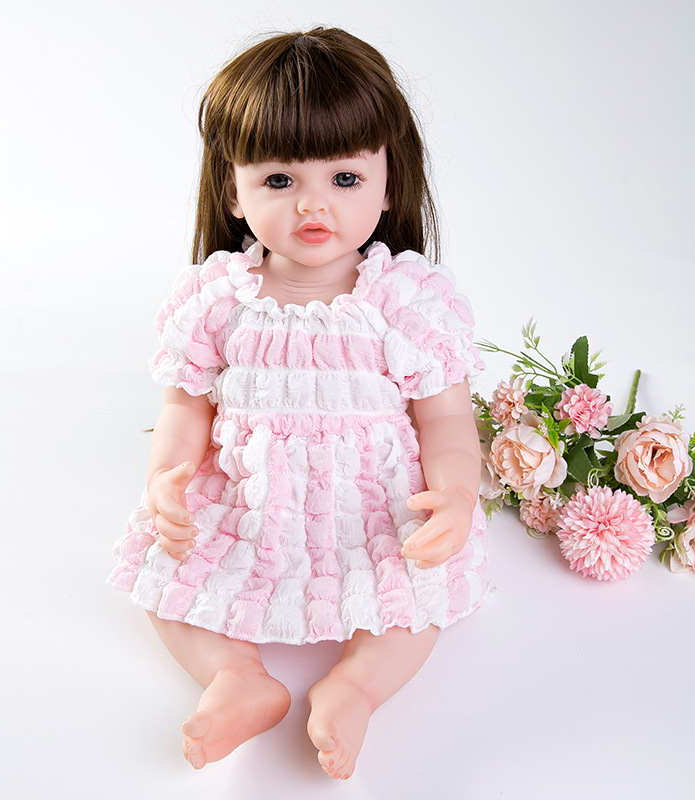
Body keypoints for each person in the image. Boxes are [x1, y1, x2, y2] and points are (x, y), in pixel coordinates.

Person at [108, 27, 489, 781]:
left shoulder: (404, 302)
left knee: (420, 596)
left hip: (374, 504)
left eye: (345, 178)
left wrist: (455, 494)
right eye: (280, 180)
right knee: (164, 574)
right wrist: (167, 480)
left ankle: (357, 686)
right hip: (249, 497)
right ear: (233, 189)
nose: (314, 203)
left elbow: (445, 416)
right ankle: (234, 675)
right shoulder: (217, 298)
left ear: (389, 182)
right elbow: (186, 407)